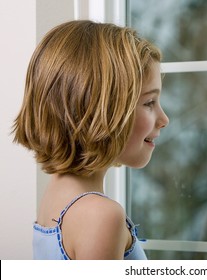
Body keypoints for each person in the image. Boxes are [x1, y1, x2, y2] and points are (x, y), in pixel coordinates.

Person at [12, 20, 169, 260]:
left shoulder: (56, 197)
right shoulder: (100, 216)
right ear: (100, 110)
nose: (164, 119)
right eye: (149, 102)